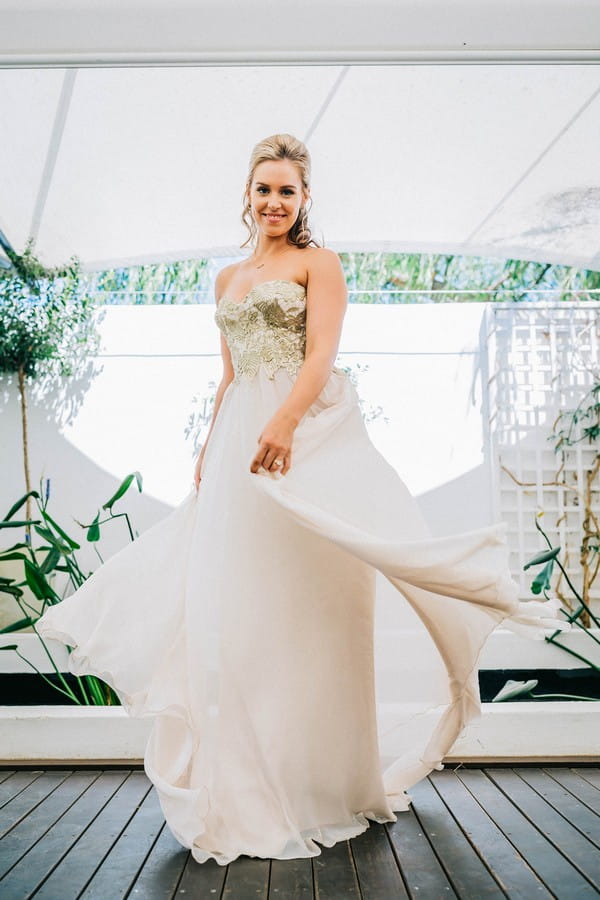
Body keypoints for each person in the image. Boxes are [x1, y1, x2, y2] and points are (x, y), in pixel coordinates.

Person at [36, 132, 571, 866]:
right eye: (263, 189)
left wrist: (283, 422)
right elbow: (227, 377)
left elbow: (320, 354)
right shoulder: (225, 280)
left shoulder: (320, 264)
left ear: (305, 197)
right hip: (235, 449)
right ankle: (242, 785)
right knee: (235, 609)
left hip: (301, 441)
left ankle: (320, 782)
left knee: (309, 607)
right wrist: (207, 448)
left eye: (287, 190)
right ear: (247, 197)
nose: (274, 202)